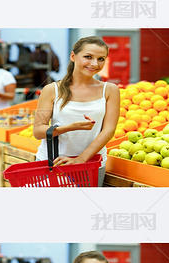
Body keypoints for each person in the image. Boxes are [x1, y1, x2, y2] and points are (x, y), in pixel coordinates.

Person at [33, 36, 120, 187]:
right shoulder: (51, 90)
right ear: (73, 56)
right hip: (52, 163)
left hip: (91, 164)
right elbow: (38, 131)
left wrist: (81, 159)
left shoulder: (110, 90)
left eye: (101, 59)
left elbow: (109, 130)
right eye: (88, 57)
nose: (94, 63)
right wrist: (70, 127)